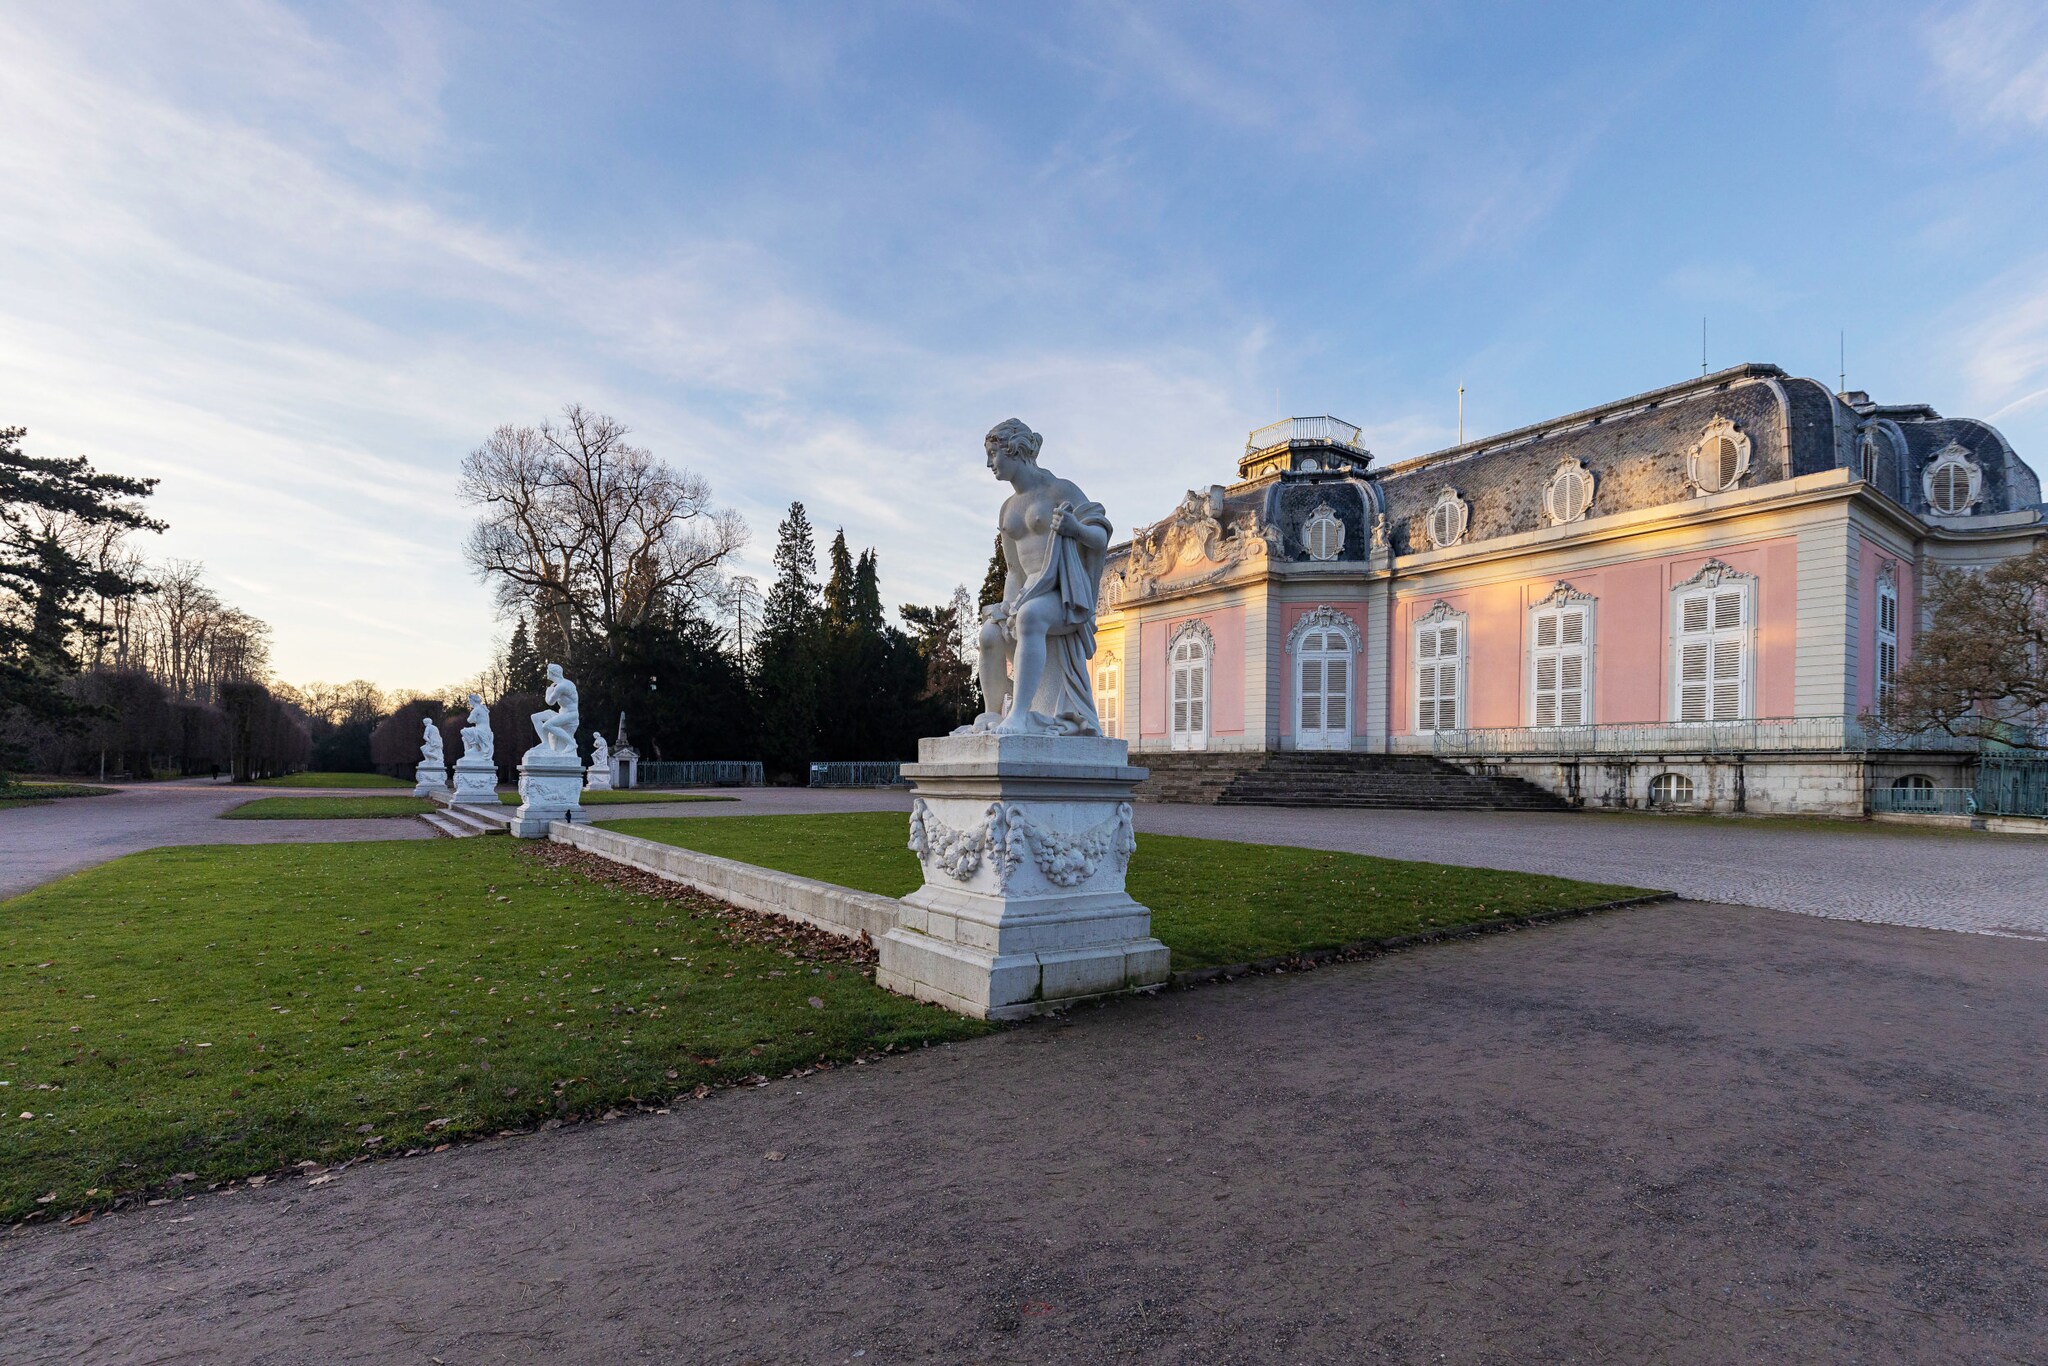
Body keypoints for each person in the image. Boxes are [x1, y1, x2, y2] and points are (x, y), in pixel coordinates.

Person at [962, 419, 1112, 736]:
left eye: (993, 454)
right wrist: (1005, 608)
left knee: (1030, 616)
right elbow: (1015, 570)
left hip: (1066, 596)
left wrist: (1076, 528)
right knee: (990, 633)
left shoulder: (1060, 489)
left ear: (1014, 450)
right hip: (1027, 592)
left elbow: (1099, 537)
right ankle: (992, 714)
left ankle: (1019, 714)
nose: (989, 463)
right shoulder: (1007, 509)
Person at [528, 663, 580, 757]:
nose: (547, 673)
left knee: (547, 725)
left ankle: (571, 744)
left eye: (547, 671)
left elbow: (550, 702)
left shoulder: (561, 686)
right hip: (562, 714)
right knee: (535, 717)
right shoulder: (559, 684)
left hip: (571, 715)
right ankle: (545, 743)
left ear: (552, 673)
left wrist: (548, 692)